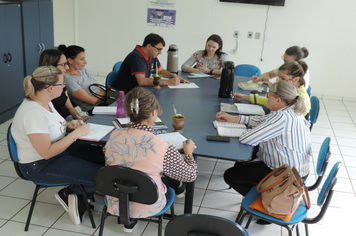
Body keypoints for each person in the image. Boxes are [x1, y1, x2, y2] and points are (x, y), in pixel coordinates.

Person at [11, 66, 105, 226]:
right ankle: (69, 193)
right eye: (62, 84)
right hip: (39, 164)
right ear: (50, 88)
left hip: (60, 151)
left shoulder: (45, 102)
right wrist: (76, 134)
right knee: (104, 177)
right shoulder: (33, 113)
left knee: (106, 156)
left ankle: (83, 190)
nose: (64, 87)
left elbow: (53, 126)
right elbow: (46, 153)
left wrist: (70, 125)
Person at [103, 87, 198, 233]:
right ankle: (177, 187)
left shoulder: (114, 135)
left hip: (116, 200)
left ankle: (129, 221)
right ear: (153, 113)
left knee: (145, 171)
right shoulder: (163, 147)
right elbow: (191, 176)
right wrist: (188, 153)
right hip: (150, 203)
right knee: (162, 173)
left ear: (129, 112)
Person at [217, 81, 311, 215]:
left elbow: (246, 139)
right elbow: (264, 120)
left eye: (268, 95)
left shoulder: (282, 117)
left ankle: (268, 204)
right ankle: (266, 194)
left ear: (278, 100)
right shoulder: (290, 110)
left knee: (230, 175)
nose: (266, 97)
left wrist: (254, 131)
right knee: (241, 165)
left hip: (287, 176)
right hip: (295, 170)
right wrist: (235, 118)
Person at [111, 33, 190, 94]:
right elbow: (141, 81)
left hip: (137, 91)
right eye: (158, 49)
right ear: (149, 46)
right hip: (123, 95)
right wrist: (168, 82)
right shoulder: (136, 56)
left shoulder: (151, 56)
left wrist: (174, 76)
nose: (160, 53)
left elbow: (161, 71)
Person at [233, 61, 311, 116]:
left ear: (295, 80)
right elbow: (270, 101)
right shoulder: (289, 89)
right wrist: (246, 97)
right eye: (279, 77)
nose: (279, 81)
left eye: (283, 78)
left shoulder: (301, 98)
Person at [38, 49, 85, 120]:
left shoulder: (61, 81)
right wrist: (69, 124)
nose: (67, 67)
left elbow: (71, 108)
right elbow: (49, 121)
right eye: (63, 64)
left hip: (68, 119)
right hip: (60, 124)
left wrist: (79, 119)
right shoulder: (42, 89)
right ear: (52, 67)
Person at [58, 44, 106, 114]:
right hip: (96, 108)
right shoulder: (69, 80)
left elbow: (98, 87)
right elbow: (92, 101)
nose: (85, 62)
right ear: (70, 60)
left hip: (104, 101)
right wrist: (106, 93)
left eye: (84, 58)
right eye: (81, 59)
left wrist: (104, 93)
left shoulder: (83, 70)